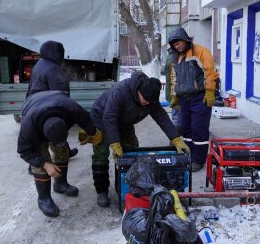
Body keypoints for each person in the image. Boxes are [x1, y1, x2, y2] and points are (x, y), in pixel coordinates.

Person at [80, 71, 190, 207]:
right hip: (102, 118)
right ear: (138, 90)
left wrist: (175, 139)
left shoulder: (150, 99)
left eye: (150, 102)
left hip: (125, 122)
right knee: (101, 154)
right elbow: (109, 117)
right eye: (145, 99)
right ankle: (101, 191)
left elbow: (161, 117)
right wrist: (115, 144)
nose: (146, 103)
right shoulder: (120, 91)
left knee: (132, 151)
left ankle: (123, 186)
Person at [17, 90, 102, 217]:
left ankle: (60, 184)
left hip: (57, 102)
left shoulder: (71, 108)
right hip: (33, 107)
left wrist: (93, 133)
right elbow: (24, 151)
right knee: (40, 161)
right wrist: (45, 164)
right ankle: (43, 199)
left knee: (62, 151)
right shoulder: (29, 126)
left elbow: (86, 120)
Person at [168, 27, 218, 172]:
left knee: (199, 128)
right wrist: (174, 96)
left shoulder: (201, 51)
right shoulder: (175, 57)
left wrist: (210, 92)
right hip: (184, 98)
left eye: (179, 43)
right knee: (186, 128)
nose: (177, 46)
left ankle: (198, 159)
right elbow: (174, 77)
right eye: (174, 45)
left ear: (185, 39)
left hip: (200, 97)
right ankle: (188, 154)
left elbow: (210, 73)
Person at [26, 40, 78, 175]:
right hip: (48, 114)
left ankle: (35, 164)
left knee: (38, 143)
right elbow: (62, 99)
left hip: (34, 109)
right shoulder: (54, 70)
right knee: (58, 145)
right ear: (58, 55)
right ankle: (60, 183)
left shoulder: (39, 64)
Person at [165, 47, 182, 135]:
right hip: (177, 93)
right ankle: (176, 138)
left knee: (177, 115)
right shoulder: (175, 58)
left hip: (173, 92)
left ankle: (176, 137)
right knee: (178, 118)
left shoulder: (170, 56)